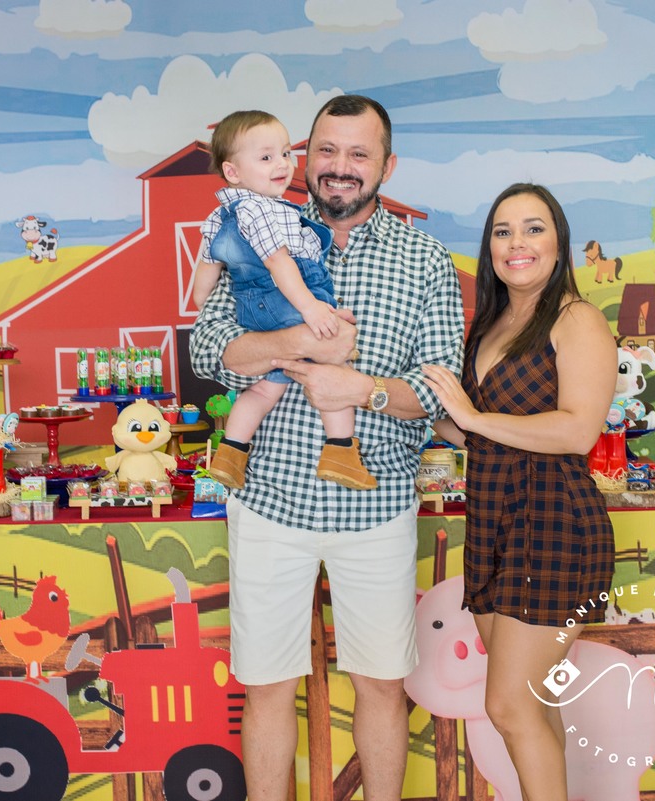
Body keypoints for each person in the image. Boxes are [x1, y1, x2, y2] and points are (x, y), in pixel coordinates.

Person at [191, 95, 465, 800]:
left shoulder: (425, 258)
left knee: (382, 683)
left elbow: (440, 389)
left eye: (359, 153)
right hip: (270, 503)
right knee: (266, 686)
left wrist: (360, 388)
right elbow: (210, 348)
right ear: (305, 158)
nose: (340, 167)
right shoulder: (255, 224)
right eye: (326, 150)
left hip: (376, 506)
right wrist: (299, 339)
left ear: (386, 166)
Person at [421, 183, 617, 801]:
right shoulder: (489, 323)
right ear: (490, 248)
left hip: (555, 524)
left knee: (508, 705)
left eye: (534, 228)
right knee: (532, 706)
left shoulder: (576, 319)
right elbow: (474, 431)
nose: (517, 243)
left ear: (558, 243)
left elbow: (578, 430)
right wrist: (409, 404)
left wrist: (472, 418)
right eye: (503, 232)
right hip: (495, 524)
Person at [193, 109, 375, 491]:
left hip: (252, 307)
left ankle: (230, 454)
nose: (282, 164)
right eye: (266, 157)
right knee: (336, 365)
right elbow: (280, 263)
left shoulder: (218, 217)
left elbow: (205, 275)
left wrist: (204, 302)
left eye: (286, 153)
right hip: (288, 295)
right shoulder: (264, 209)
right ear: (232, 172)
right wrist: (311, 311)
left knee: (263, 389)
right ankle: (341, 451)